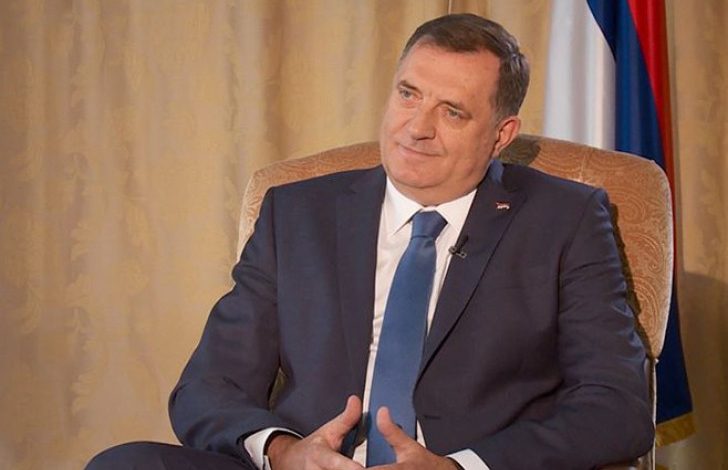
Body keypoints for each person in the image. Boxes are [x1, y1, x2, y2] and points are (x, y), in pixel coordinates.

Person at [87, 13, 654, 470]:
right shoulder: (297, 213)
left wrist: (461, 466)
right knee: (124, 464)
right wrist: (284, 452)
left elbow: (616, 405)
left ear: (501, 134)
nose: (416, 127)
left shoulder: (564, 219)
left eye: (452, 112)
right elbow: (209, 387)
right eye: (408, 94)